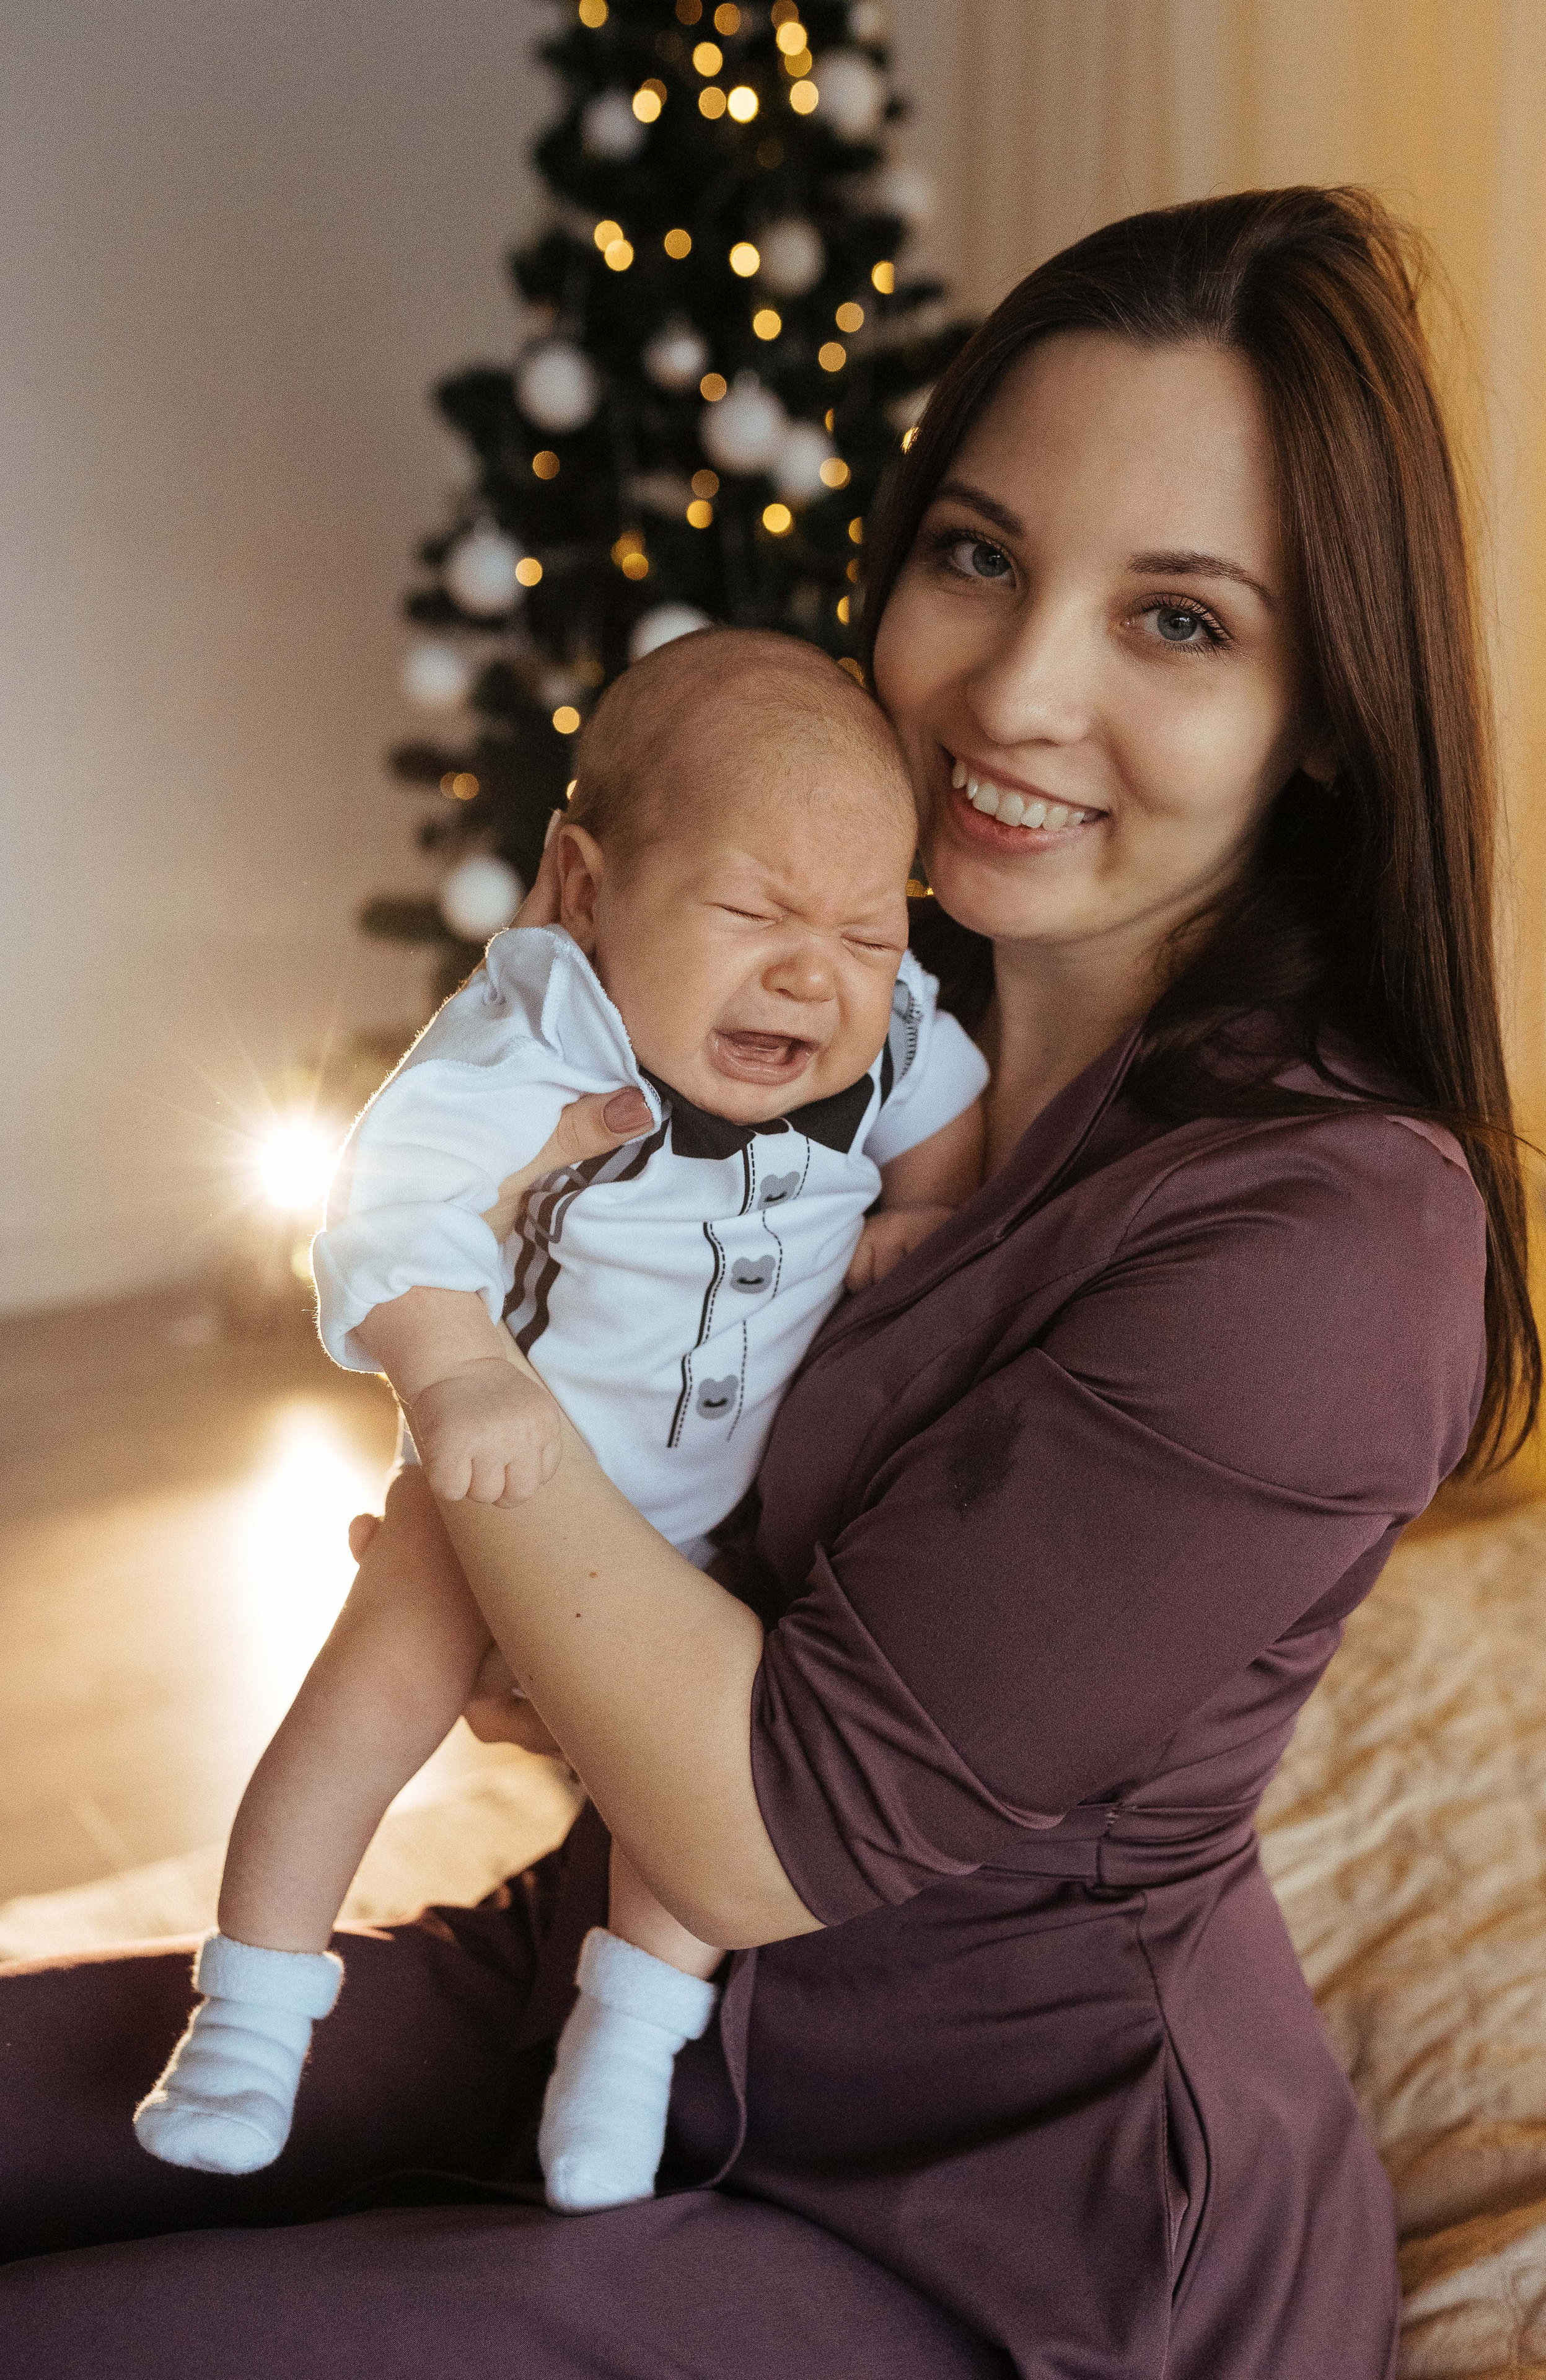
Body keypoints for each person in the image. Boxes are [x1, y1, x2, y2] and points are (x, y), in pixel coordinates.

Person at [0, 185, 1540, 2380]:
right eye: (981, 556)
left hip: (1006, 2229)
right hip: (610, 1990)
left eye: (1180, 622)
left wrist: (494, 1484)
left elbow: (740, 1819)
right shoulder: (860, 1011)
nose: (1015, 688)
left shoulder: (1330, 1244)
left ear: (1326, 708)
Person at [130, 630, 988, 2210]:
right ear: (585, 889)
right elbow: (389, 1199)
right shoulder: (535, 1034)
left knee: (707, 1785)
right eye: (752, 914)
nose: (815, 974)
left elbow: (954, 1117)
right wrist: (454, 1371)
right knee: (366, 1702)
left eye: (868, 932)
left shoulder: (891, 1041)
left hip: (721, 1530)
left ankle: (630, 2039)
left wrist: (921, 1214)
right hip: (499, 1485)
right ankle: (248, 2012)